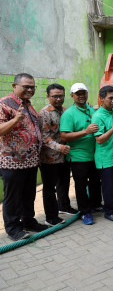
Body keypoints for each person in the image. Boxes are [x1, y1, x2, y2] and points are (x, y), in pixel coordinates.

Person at [0, 73, 47, 241]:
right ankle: (13, 228)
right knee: (13, 197)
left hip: (31, 160)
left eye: (32, 87)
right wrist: (15, 120)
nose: (30, 89)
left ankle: (28, 221)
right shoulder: (4, 103)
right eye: (26, 86)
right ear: (14, 86)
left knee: (29, 194)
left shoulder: (28, 104)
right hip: (12, 162)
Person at [60, 83, 102, 225]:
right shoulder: (69, 114)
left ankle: (95, 204)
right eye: (78, 93)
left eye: (83, 92)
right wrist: (86, 131)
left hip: (94, 154)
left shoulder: (90, 109)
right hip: (78, 156)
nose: (81, 95)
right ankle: (85, 212)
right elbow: (64, 136)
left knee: (96, 182)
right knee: (81, 185)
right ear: (72, 96)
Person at [39, 84, 76, 227]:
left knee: (64, 182)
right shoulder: (44, 113)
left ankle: (64, 206)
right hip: (49, 158)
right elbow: (44, 137)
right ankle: (51, 217)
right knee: (49, 189)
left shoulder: (65, 111)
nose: (58, 99)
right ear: (48, 96)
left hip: (64, 156)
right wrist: (59, 147)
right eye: (55, 96)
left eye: (61, 96)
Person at [92, 85, 113, 222]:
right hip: (105, 159)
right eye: (110, 98)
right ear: (102, 98)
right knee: (108, 187)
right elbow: (99, 140)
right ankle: (109, 212)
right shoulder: (97, 116)